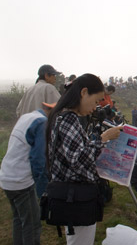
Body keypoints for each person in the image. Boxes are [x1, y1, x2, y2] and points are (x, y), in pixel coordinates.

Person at [46, 74, 122, 245]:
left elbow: (76, 153)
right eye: (95, 101)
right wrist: (103, 139)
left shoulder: (62, 116)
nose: (96, 108)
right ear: (84, 92)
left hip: (72, 196)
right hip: (76, 199)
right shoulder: (68, 119)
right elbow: (79, 159)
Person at [0, 102, 55, 245]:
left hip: (7, 175)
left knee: (19, 218)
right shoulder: (42, 123)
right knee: (32, 223)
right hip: (21, 180)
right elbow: (38, 159)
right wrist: (43, 191)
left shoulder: (28, 116)